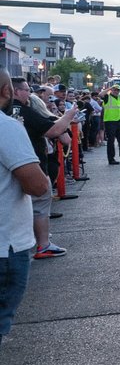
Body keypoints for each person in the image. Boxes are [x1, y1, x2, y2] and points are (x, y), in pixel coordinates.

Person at [0, 69, 51, 365]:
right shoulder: (7, 128)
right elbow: (34, 181)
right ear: (6, 90)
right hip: (5, 244)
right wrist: (45, 181)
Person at [7, 78, 74, 259]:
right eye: (27, 90)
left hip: (10, 167)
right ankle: (43, 245)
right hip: (30, 163)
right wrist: (69, 115)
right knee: (40, 202)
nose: (29, 94)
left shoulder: (7, 112)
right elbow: (52, 130)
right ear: (15, 91)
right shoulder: (21, 111)